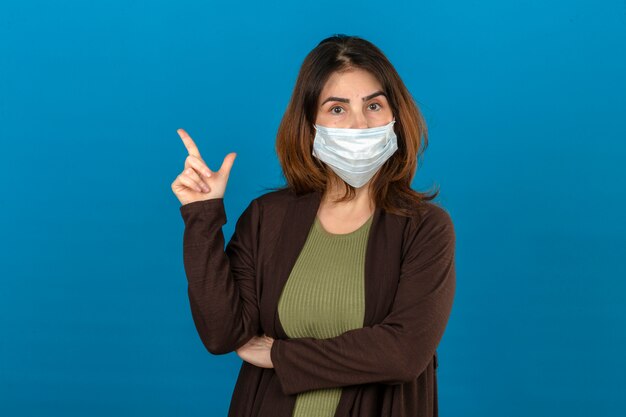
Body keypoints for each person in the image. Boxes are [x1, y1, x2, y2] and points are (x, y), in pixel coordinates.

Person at [171, 34, 456, 417]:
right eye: (337, 109)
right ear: (310, 124)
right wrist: (202, 215)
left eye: (373, 105)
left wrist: (279, 354)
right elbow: (223, 334)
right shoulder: (267, 218)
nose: (358, 124)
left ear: (395, 116)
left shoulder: (424, 227)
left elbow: (403, 354)